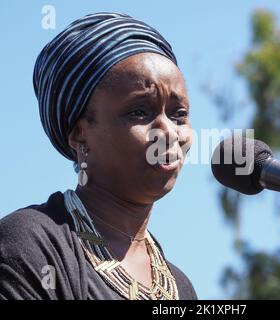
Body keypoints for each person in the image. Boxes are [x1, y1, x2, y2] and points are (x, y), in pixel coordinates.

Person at [0, 12, 197, 300]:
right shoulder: (31, 245)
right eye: (139, 112)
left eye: (178, 115)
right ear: (80, 135)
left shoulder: (180, 287)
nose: (167, 132)